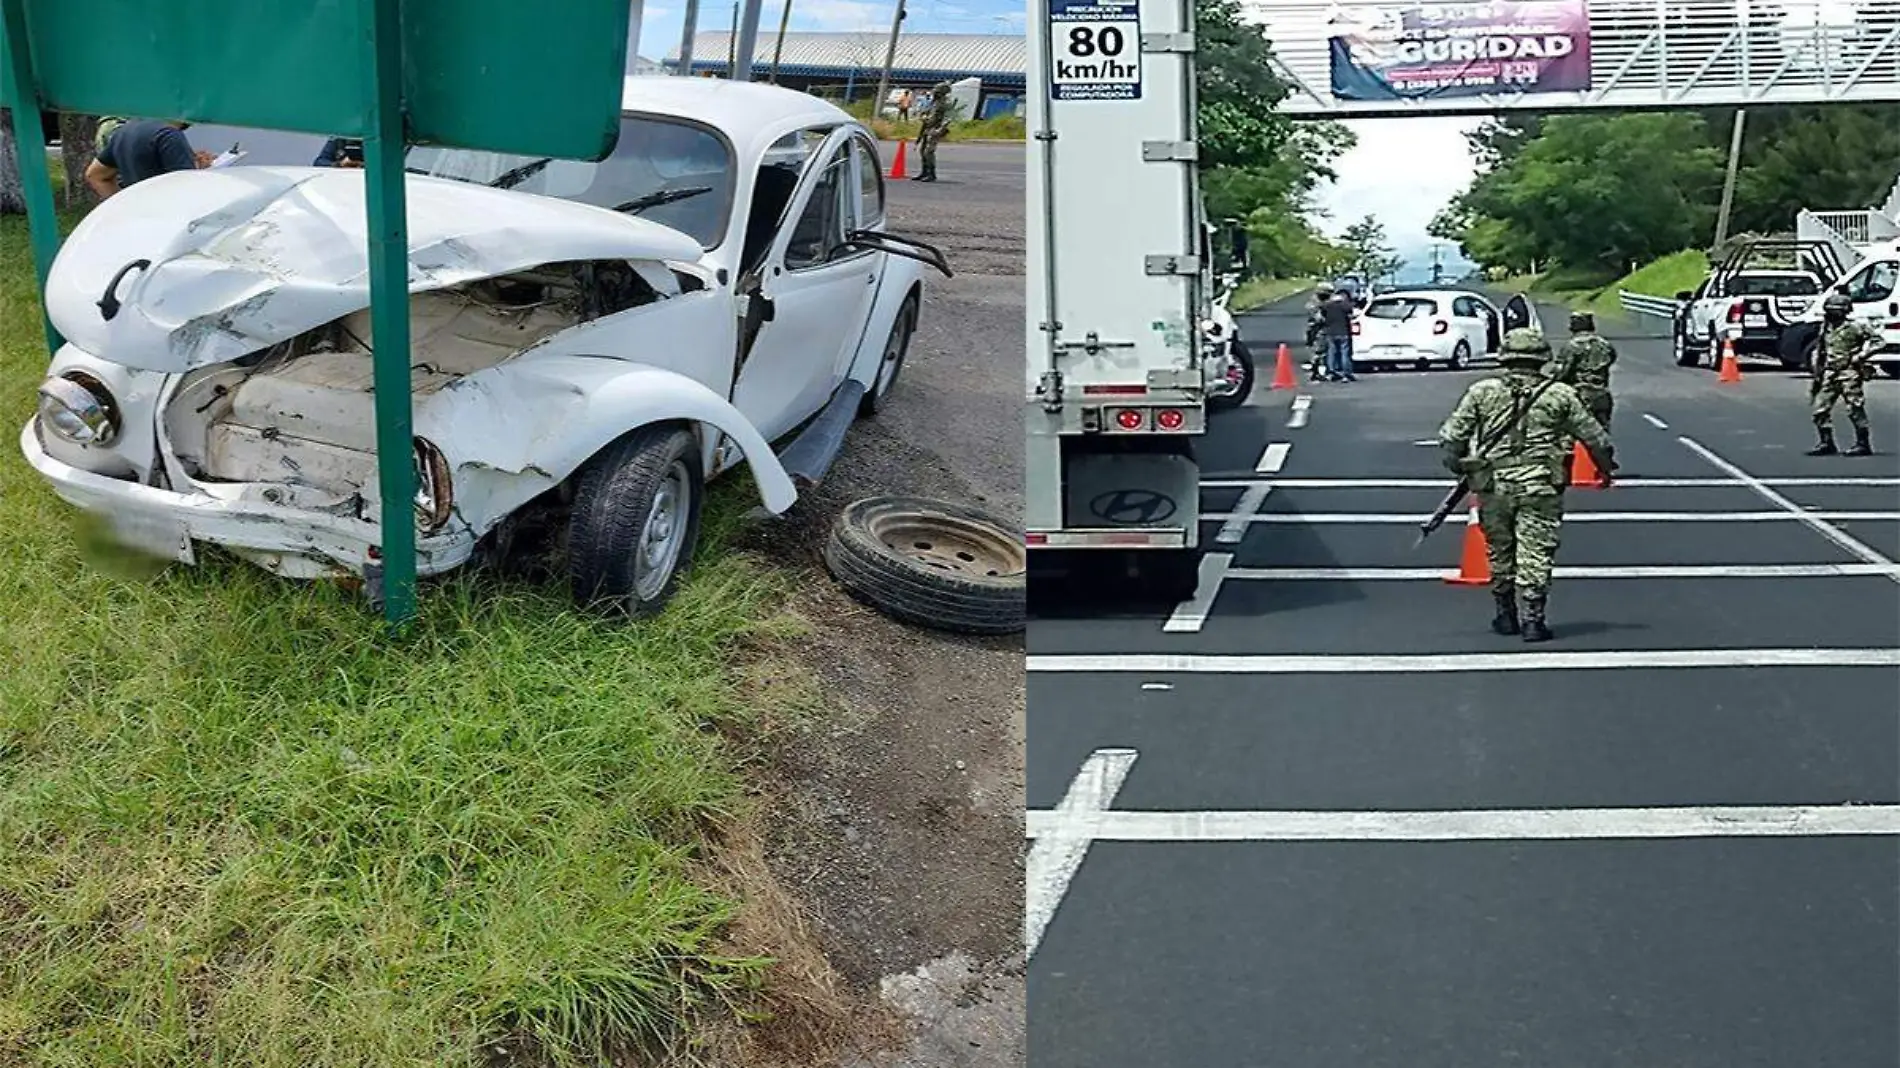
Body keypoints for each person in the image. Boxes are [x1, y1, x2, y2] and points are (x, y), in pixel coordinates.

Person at [1437, 327, 1616, 643]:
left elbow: (1452, 436)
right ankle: (1533, 619)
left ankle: (1505, 613)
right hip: (1541, 484)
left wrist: (1458, 465)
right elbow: (1596, 438)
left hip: (1493, 483)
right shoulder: (1560, 394)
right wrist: (1604, 470)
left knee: (1499, 547)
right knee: (1536, 549)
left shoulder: (1482, 391)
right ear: (1542, 358)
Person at [1808, 291, 1883, 456]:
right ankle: (1826, 442)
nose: (1830, 314)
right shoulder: (1826, 327)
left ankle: (1863, 443)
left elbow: (1879, 341)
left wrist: (1861, 356)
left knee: (1854, 408)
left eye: (1834, 310)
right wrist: (1817, 370)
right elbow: (1821, 349)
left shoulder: (1856, 326)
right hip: (1830, 372)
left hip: (1849, 371)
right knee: (1820, 409)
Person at [86, 119, 211, 200]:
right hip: (166, 222)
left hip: (140, 221)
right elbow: (187, 192)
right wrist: (201, 171)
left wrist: (123, 208)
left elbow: (95, 175)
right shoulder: (169, 135)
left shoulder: (125, 130)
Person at [913, 82, 954, 183]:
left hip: (935, 130)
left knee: (928, 152)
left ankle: (931, 174)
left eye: (937, 91)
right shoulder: (934, 102)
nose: (934, 92)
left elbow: (942, 118)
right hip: (928, 128)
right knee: (923, 151)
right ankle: (924, 172)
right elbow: (926, 113)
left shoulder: (943, 104)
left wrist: (925, 119)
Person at [1318, 284, 1357, 382]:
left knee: (1331, 352)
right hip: (1343, 331)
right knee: (1345, 353)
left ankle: (1332, 372)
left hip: (1330, 332)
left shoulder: (1327, 305)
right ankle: (1346, 374)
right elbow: (1351, 314)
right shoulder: (1345, 305)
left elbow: (1322, 316)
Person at [1305, 281, 1334, 380]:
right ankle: (1317, 371)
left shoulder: (1314, 303)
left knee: (1318, 351)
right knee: (1319, 351)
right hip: (1318, 330)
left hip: (1316, 330)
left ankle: (1317, 370)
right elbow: (1318, 319)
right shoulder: (1316, 304)